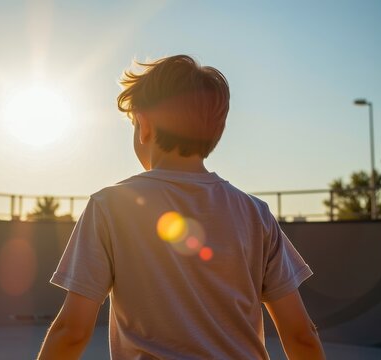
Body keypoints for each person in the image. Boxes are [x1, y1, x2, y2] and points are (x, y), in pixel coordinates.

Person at [38, 55, 325, 359]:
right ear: (215, 132)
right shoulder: (256, 214)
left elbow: (72, 331)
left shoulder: (109, 206)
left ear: (144, 124)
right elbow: (300, 335)